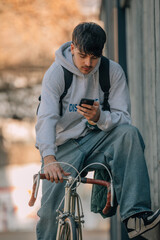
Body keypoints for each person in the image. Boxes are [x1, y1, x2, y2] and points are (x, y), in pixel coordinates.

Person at [35, 22, 160, 239]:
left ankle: (136, 217)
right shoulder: (56, 74)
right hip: (63, 148)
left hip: (98, 141)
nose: (88, 63)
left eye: (94, 57)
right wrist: (48, 158)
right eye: (83, 55)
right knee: (49, 215)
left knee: (129, 134)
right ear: (73, 48)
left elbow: (124, 118)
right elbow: (46, 118)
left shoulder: (112, 72)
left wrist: (99, 117)